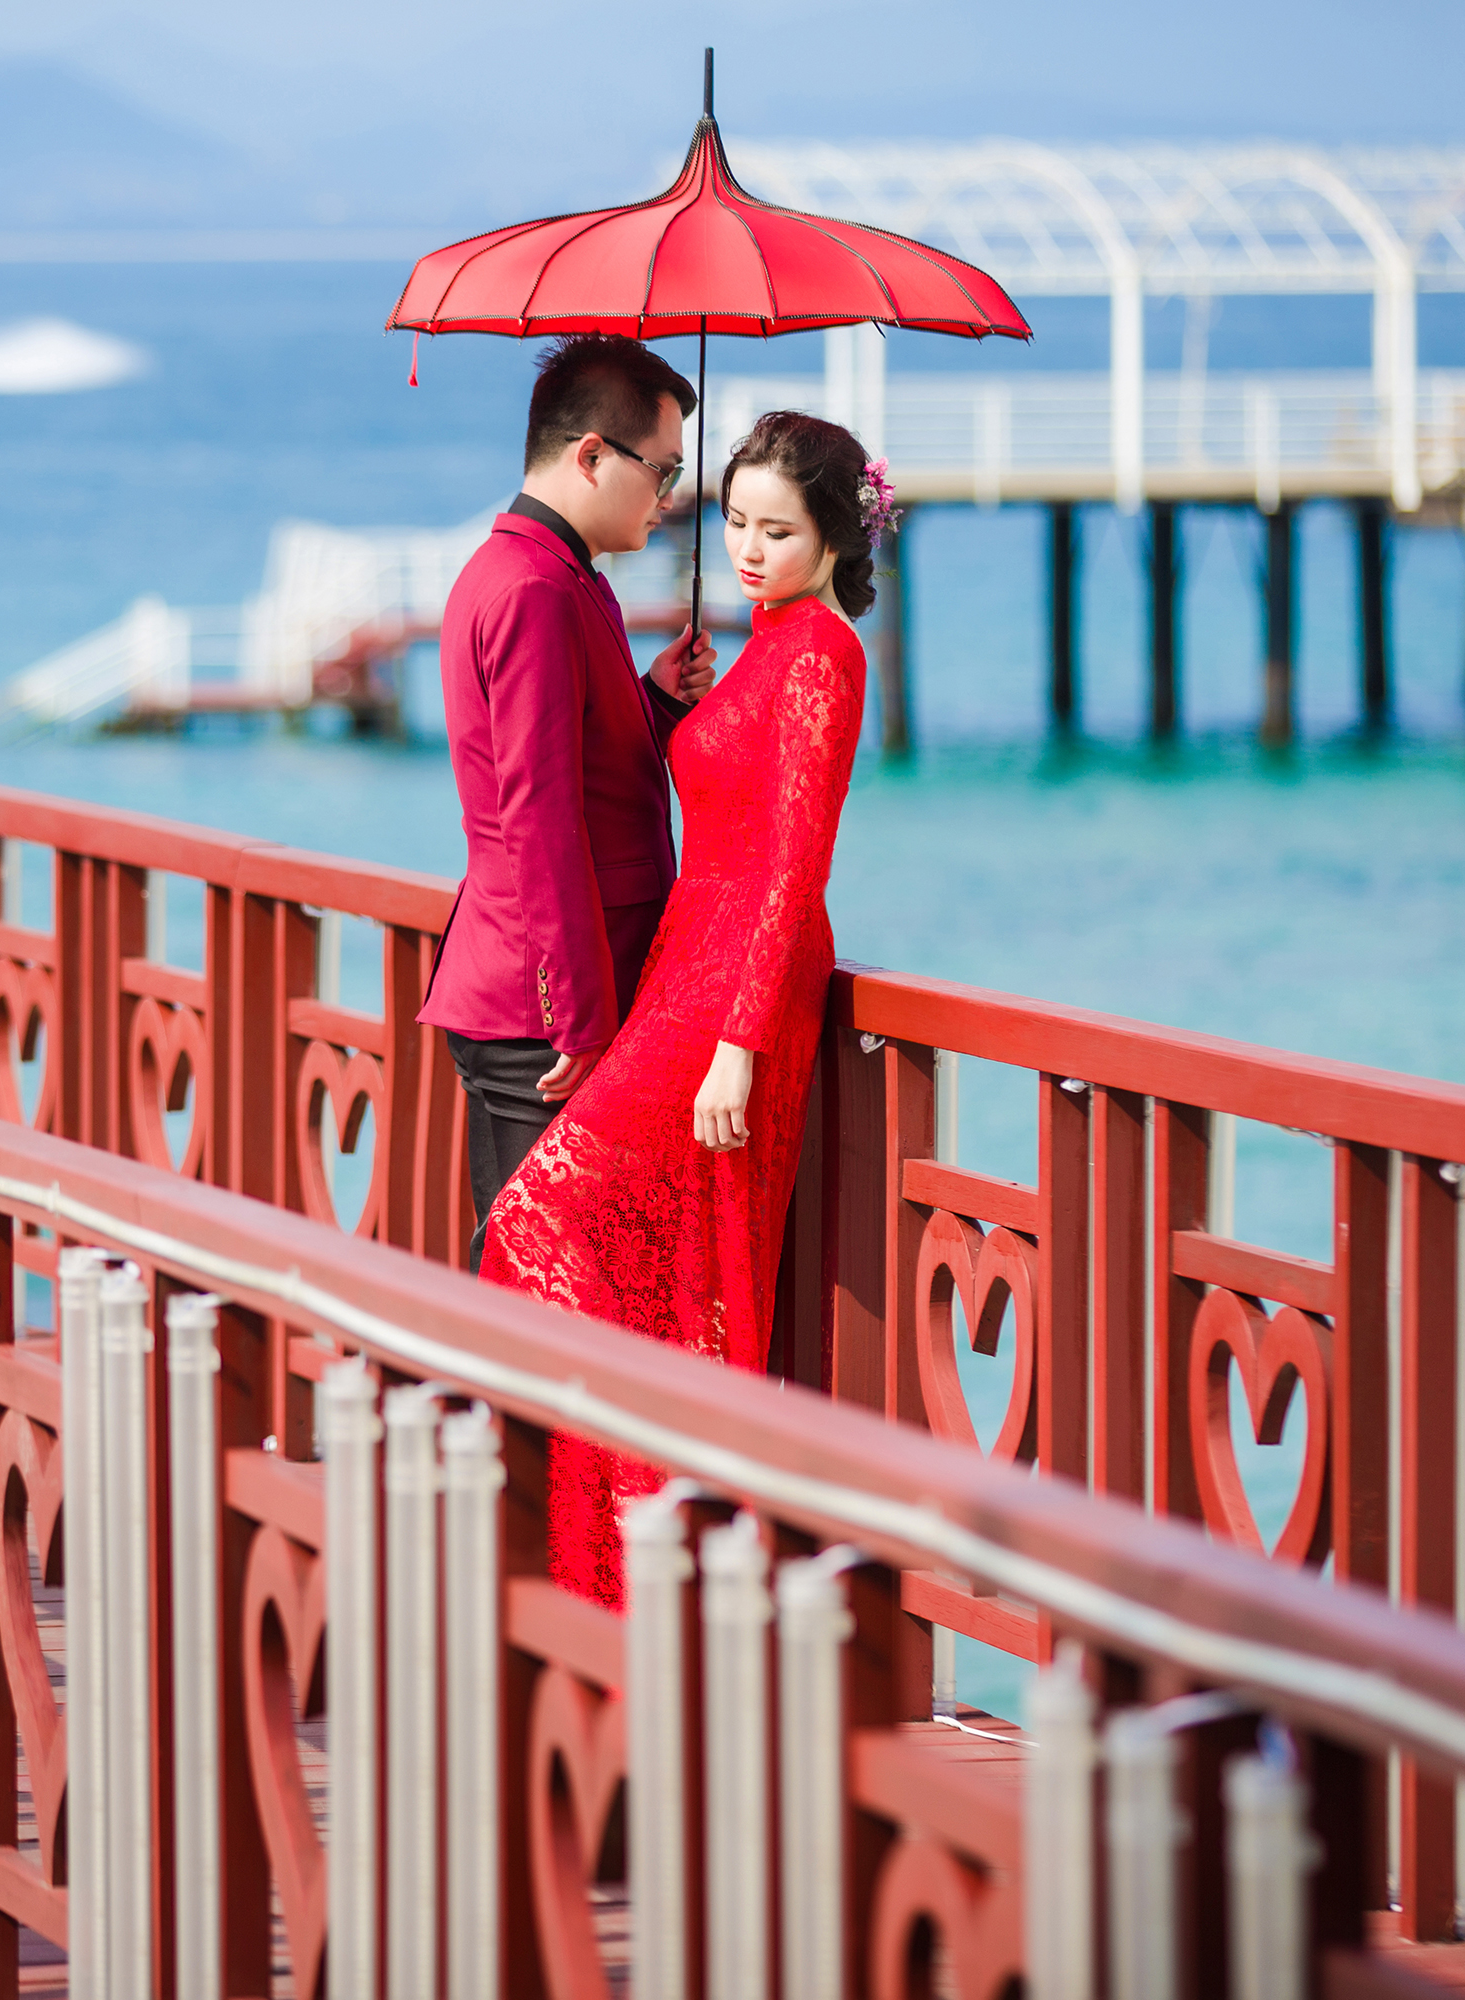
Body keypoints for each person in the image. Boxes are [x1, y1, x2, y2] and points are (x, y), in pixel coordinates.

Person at [481, 409, 890, 1608]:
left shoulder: (821, 656)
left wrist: (739, 1046)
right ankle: (639, 1540)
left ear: (834, 537)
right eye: (737, 522)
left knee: (542, 1217)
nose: (750, 549)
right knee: (636, 1257)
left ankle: (648, 1525)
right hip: (686, 963)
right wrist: (672, 703)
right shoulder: (765, 642)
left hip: (737, 984)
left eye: (779, 530)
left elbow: (793, 868)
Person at [419, 335, 719, 1271]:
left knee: (543, 1277)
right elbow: (538, 817)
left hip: (534, 988)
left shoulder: (554, 572)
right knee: (547, 1286)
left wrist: (653, 699)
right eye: (662, 470)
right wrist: (580, 1015)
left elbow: (576, 760)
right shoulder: (536, 588)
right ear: (591, 455)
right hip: (542, 1012)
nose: (669, 496)